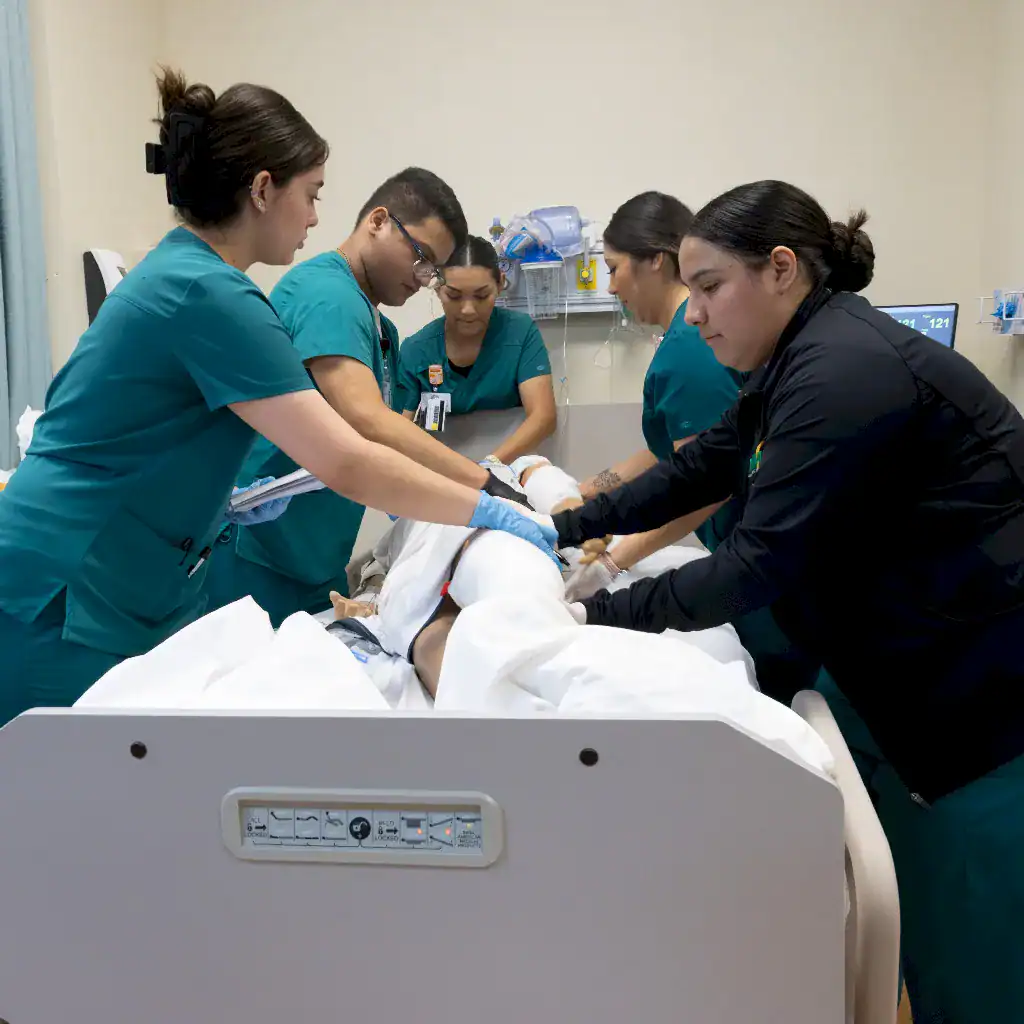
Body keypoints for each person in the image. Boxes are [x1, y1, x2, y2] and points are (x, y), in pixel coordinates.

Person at [552, 179, 1024, 1024]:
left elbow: (756, 564)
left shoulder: (847, 368)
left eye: (708, 287)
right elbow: (702, 466)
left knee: (985, 949)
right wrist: (569, 523)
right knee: (932, 937)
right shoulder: (799, 359)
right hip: (912, 668)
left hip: (988, 699)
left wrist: (590, 613)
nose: (692, 313)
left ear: (779, 269)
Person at [0, 70, 556, 727]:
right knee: (69, 808)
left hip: (128, 579)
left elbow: (158, 434)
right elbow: (347, 456)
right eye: (312, 193)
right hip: (67, 592)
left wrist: (224, 503)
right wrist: (486, 509)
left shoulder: (191, 276)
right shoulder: (209, 294)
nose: (317, 216)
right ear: (264, 189)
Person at [204, 172, 532, 628]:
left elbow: (384, 447)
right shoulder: (327, 295)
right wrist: (481, 487)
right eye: (421, 258)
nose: (423, 279)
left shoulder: (381, 331)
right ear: (379, 221)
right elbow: (365, 419)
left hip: (314, 558)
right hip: (259, 556)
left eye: (432, 270)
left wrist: (434, 519)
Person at [565, 192, 813, 699]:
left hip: (759, 557)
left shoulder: (688, 352)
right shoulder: (684, 343)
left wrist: (616, 561)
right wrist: (587, 493)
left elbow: (705, 483)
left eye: (614, 268)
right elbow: (673, 454)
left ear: (656, 261)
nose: (611, 285)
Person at [396, 236, 556, 463]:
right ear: (437, 289)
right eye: (454, 295)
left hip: (510, 465)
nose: (468, 309)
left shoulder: (520, 333)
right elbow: (396, 430)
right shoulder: (417, 350)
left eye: (481, 296)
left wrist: (488, 468)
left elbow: (544, 417)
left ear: (500, 284)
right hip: (443, 469)